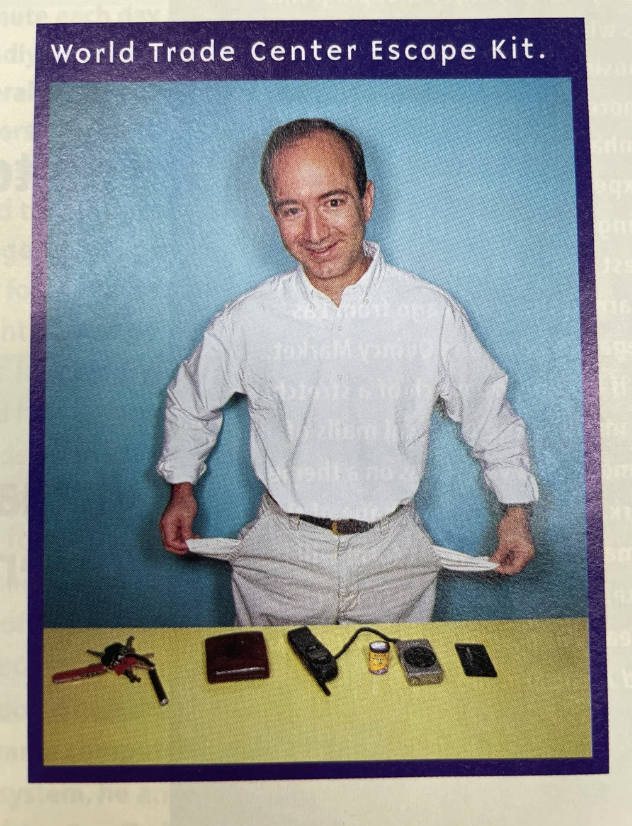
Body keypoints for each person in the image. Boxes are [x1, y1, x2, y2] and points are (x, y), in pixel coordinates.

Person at [157, 118, 538, 626]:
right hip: (279, 561)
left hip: (394, 560)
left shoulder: (428, 312)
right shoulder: (247, 320)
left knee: (395, 698)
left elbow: (488, 411)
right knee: (276, 701)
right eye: (292, 210)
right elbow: (190, 399)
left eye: (332, 202)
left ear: (367, 200)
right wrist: (181, 488)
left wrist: (516, 510)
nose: (313, 233)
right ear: (274, 213)